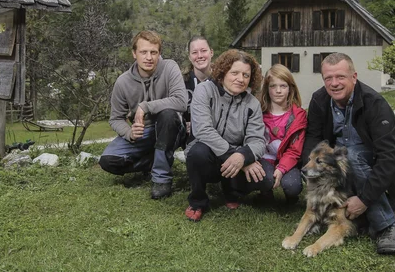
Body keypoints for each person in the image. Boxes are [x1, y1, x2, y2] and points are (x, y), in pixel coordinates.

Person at [301, 52, 395, 254]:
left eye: (340, 77)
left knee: (351, 154)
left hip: (372, 165)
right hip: (342, 172)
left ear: (354, 77)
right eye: (328, 78)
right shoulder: (319, 100)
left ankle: (390, 225)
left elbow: (391, 156)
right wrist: (311, 173)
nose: (334, 83)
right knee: (343, 156)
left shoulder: (375, 104)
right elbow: (312, 141)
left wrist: (364, 200)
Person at [184, 49, 271, 222]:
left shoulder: (252, 103)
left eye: (246, 75)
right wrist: (236, 157)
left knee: (266, 178)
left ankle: (231, 190)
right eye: (235, 73)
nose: (240, 79)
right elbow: (203, 130)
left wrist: (243, 156)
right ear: (223, 72)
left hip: (236, 156)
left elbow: (258, 140)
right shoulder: (204, 91)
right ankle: (198, 200)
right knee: (197, 153)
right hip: (207, 152)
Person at [99, 31, 187, 200]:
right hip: (144, 134)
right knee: (108, 160)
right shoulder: (123, 82)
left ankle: (161, 179)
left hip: (172, 128)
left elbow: (181, 102)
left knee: (167, 114)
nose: (149, 57)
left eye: (153, 52)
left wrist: (145, 106)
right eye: (143, 52)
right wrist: (129, 132)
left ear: (159, 53)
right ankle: (153, 161)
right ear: (134, 53)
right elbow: (116, 118)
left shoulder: (169, 67)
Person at [258, 64, 307, 204]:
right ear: (267, 89)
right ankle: (265, 193)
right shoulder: (258, 113)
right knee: (265, 178)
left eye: (283, 86)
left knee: (292, 186)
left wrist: (281, 168)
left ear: (290, 88)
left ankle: (292, 197)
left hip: (288, 159)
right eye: (273, 86)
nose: (278, 90)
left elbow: (295, 150)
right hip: (265, 159)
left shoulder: (298, 116)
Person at [182, 35, 213, 134]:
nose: (200, 56)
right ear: (190, 57)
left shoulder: (222, 81)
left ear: (211, 52)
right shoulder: (181, 82)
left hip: (214, 134)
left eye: (203, 50)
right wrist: (183, 124)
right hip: (186, 135)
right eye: (194, 52)